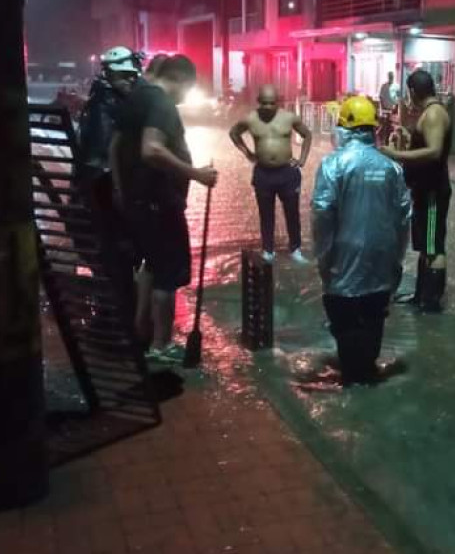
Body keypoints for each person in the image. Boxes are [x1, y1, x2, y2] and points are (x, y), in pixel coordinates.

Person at [110, 55, 218, 363]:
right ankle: (162, 344)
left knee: (151, 266)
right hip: (159, 205)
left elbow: (114, 146)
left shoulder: (136, 96)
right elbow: (151, 149)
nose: (185, 97)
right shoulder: (161, 103)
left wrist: (120, 191)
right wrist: (196, 174)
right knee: (168, 275)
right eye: (188, 89)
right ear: (182, 81)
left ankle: (141, 327)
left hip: (138, 203)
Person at [312, 96, 411, 386]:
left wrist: (323, 257)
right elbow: (404, 217)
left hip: (343, 255)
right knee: (374, 316)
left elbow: (322, 213)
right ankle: (368, 373)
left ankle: (353, 377)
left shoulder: (333, 164)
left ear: (344, 128)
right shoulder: (391, 168)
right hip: (382, 256)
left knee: (344, 320)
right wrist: (396, 259)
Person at [75, 46, 144, 307]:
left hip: (99, 197)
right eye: (123, 76)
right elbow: (104, 160)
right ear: (109, 76)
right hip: (103, 197)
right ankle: (119, 313)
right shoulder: (106, 104)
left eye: (132, 76)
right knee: (118, 259)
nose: (129, 80)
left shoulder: (107, 99)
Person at [380, 70, 452, 313]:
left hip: (433, 190)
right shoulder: (429, 114)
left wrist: (398, 155)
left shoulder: (433, 114)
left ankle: (430, 302)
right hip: (424, 189)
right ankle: (421, 295)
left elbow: (434, 151)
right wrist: (408, 138)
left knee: (433, 246)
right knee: (425, 245)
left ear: (412, 91)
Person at [229, 84, 313, 263]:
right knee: (265, 214)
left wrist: (302, 159)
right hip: (263, 174)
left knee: (292, 213)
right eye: (264, 103)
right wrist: (247, 153)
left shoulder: (289, 118)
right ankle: (268, 249)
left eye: (272, 103)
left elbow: (307, 135)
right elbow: (234, 133)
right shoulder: (250, 119)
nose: (268, 107)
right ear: (258, 102)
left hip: (287, 173)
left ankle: (295, 249)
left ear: (278, 102)